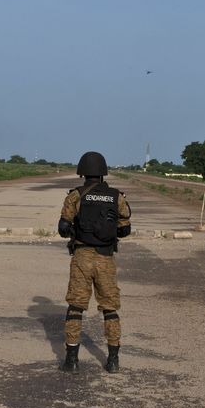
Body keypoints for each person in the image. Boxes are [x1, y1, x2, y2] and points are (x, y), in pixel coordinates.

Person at [57, 151, 132, 373]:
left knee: (75, 307)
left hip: (82, 257)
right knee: (110, 309)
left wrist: (77, 229)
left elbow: (62, 228)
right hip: (106, 258)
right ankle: (113, 361)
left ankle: (71, 360)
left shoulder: (75, 196)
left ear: (82, 172)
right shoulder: (116, 196)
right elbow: (125, 229)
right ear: (103, 172)